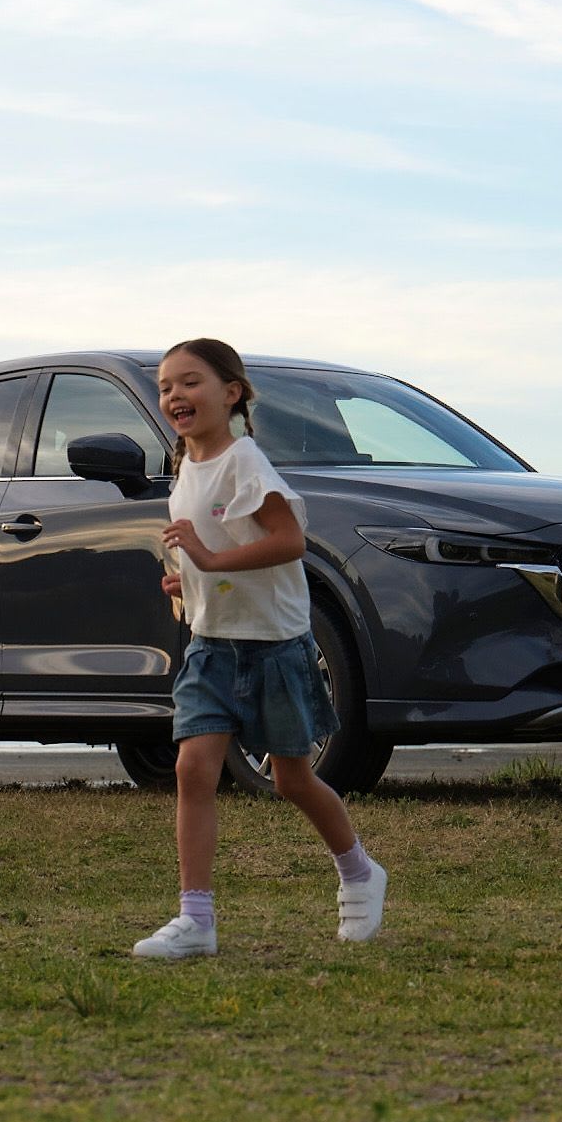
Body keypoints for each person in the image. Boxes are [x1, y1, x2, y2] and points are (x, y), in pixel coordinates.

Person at [130, 336, 387, 960]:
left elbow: (288, 541)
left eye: (190, 382)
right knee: (193, 770)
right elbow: (212, 554)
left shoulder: (244, 460)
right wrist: (189, 580)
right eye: (165, 387)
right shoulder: (185, 468)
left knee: (293, 781)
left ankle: (359, 872)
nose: (174, 395)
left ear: (232, 393)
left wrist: (211, 559)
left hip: (274, 646)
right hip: (211, 646)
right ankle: (196, 919)